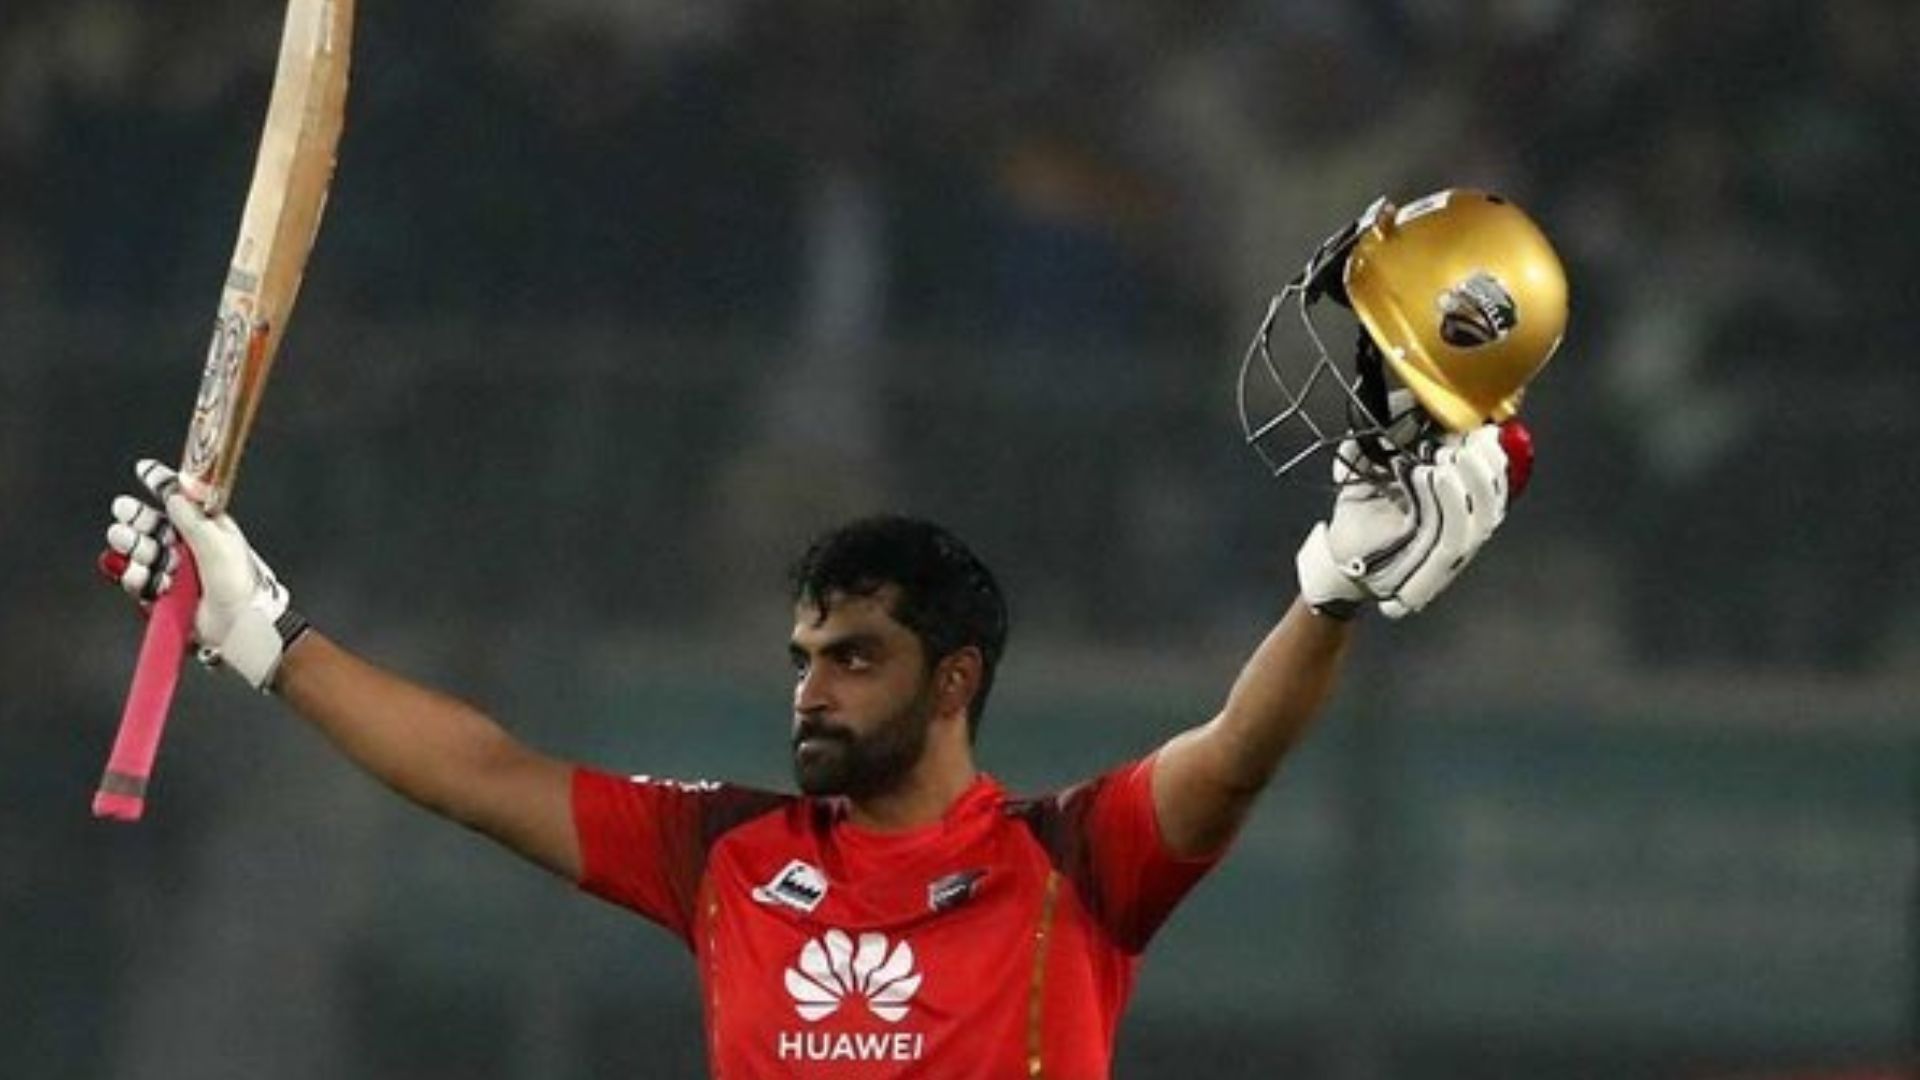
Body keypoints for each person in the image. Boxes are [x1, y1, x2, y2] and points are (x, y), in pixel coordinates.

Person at [98, 188, 1565, 1078]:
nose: (810, 688)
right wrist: (266, 633)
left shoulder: (1071, 867)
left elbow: (1237, 755)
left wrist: (1328, 590)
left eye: (853, 658)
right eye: (804, 654)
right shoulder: (731, 861)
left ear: (955, 684)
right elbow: (478, 773)